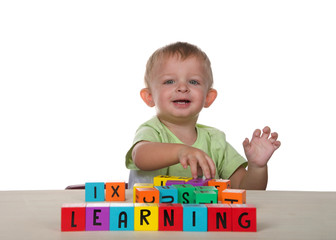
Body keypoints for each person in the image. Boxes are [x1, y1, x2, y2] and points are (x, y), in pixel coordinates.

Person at [125, 42, 281, 189]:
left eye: (193, 82)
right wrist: (181, 152)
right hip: (152, 216)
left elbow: (244, 190)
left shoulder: (215, 141)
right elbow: (140, 156)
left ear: (208, 97)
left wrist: (257, 167)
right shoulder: (151, 131)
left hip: (202, 218)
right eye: (169, 81)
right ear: (149, 96)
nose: (182, 87)